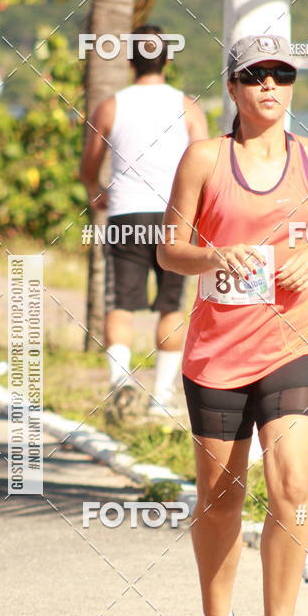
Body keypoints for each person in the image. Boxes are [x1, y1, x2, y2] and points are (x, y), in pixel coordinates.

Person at [157, 35, 308, 616]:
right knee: (220, 498)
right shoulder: (205, 158)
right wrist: (214, 255)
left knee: (293, 486)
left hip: (293, 344)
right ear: (234, 86)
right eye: (255, 74)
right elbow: (169, 249)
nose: (270, 84)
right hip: (217, 351)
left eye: (281, 74)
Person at [80, 24, 208, 421]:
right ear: (168, 59)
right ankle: (161, 398)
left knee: (121, 305)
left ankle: (121, 389)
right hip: (174, 218)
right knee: (170, 306)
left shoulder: (110, 106)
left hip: (126, 215)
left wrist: (96, 191)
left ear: (130, 60)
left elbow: (88, 166)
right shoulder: (188, 107)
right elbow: (206, 165)